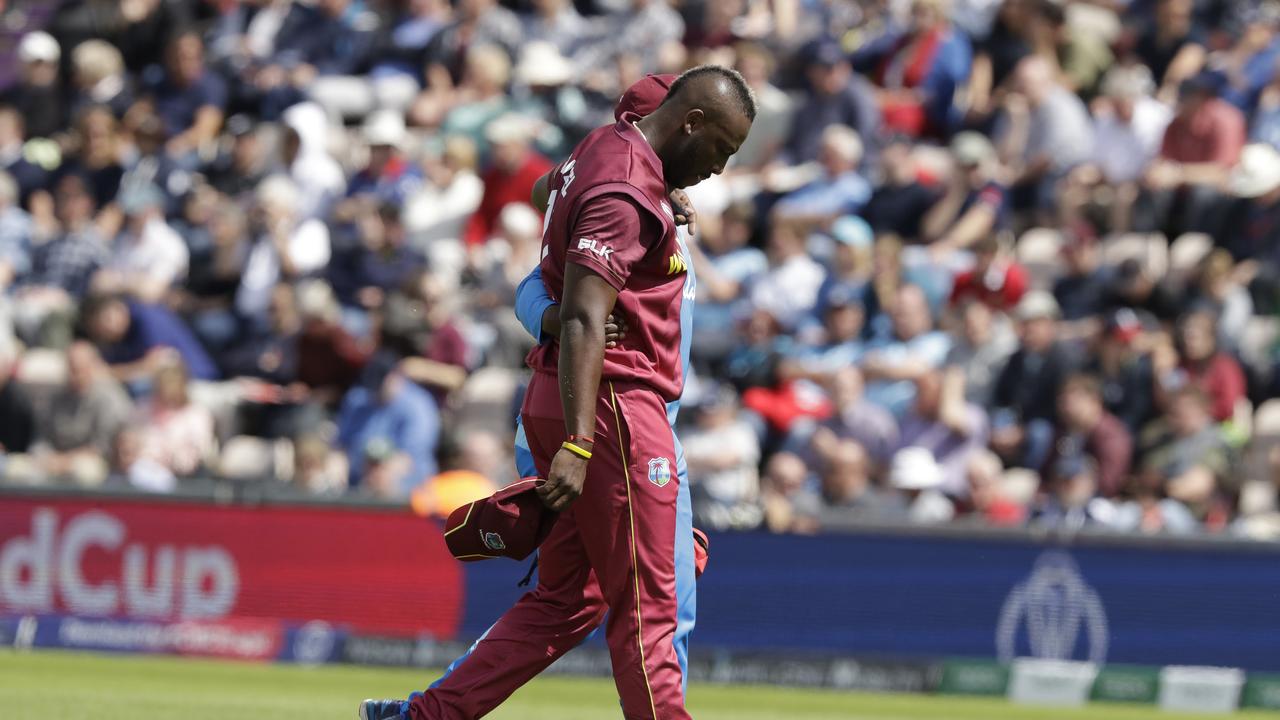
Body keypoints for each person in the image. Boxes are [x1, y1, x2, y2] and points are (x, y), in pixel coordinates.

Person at [361, 64, 755, 720]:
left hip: (566, 397)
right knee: (652, 610)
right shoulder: (628, 192)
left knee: (566, 597)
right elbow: (581, 315)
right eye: (721, 148)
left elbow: (551, 189)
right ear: (688, 123)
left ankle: (429, 716)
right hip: (615, 411)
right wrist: (578, 440)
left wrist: (658, 195)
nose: (720, 168)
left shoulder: (604, 151)